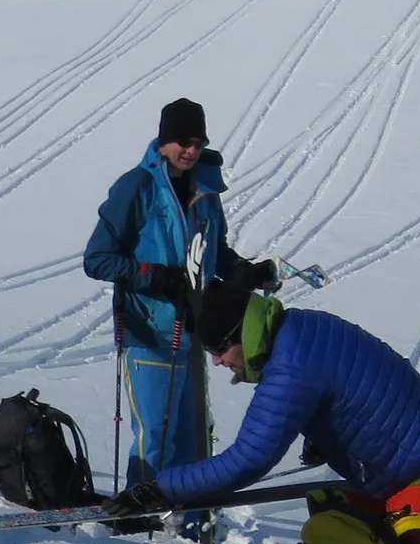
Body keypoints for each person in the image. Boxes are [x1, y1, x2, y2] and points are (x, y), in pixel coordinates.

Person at [110, 282, 420, 544]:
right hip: (389, 471)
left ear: (243, 334)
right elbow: (348, 381)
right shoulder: (300, 327)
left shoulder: (290, 369)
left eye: (219, 349)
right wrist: (325, 433)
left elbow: (248, 459)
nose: (217, 361)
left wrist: (162, 488)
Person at [82, 97, 278, 490]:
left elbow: (213, 252)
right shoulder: (137, 187)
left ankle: (191, 519)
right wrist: (153, 276)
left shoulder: (205, 189)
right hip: (149, 334)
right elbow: (97, 259)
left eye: (199, 143)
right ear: (163, 141)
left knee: (194, 441)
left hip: (193, 332)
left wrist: (247, 272)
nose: (191, 151)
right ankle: (141, 514)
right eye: (184, 142)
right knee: (156, 438)